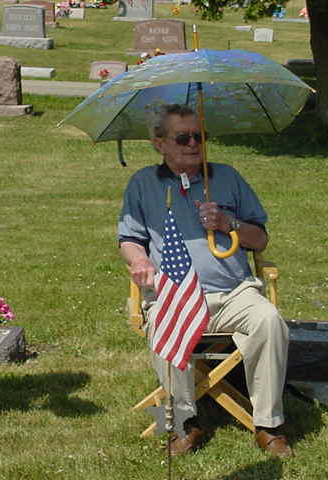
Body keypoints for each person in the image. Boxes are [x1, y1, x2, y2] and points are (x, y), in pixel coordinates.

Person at [118, 104, 291, 457]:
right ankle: (185, 422)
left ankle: (268, 424)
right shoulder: (143, 184)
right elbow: (131, 239)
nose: (194, 143)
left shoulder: (226, 177)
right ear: (159, 143)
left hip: (233, 293)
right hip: (175, 294)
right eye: (183, 137)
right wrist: (139, 261)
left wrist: (230, 224)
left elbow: (260, 240)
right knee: (165, 322)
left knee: (269, 321)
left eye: (200, 136)